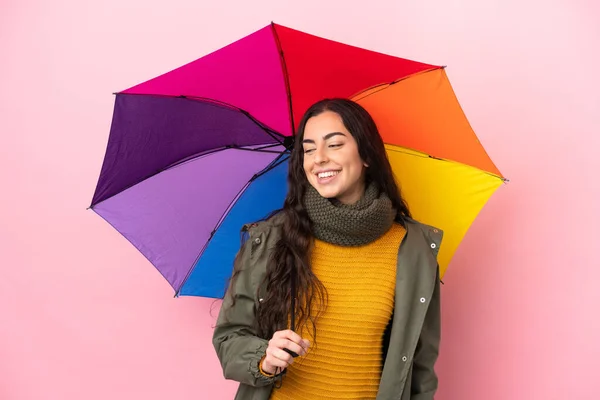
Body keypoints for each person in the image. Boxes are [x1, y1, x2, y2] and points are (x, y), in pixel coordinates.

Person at [212, 98, 443, 400]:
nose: (318, 158)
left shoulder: (412, 249)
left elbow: (420, 372)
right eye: (308, 149)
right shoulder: (270, 239)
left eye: (333, 145)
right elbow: (229, 337)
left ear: (367, 155)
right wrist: (264, 357)